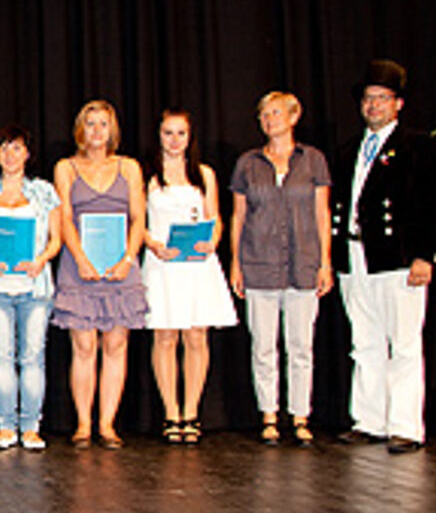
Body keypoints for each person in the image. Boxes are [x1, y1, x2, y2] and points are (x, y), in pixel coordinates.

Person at [330, 60, 436, 454]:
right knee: (364, 341)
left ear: (398, 104)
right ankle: (369, 419)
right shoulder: (350, 150)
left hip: (396, 258)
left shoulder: (418, 146)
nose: (374, 105)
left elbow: (434, 204)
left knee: (403, 341)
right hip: (354, 253)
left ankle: (405, 426)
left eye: (382, 98)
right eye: (368, 98)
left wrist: (424, 255)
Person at [229, 92, 333, 446]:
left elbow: (322, 214)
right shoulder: (248, 163)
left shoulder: (313, 160)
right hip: (259, 263)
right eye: (263, 114)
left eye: (275, 113)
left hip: (303, 263)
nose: (269, 119)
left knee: (301, 345)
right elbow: (239, 217)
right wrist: (236, 263)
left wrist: (325, 263)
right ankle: (269, 414)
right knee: (263, 345)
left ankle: (300, 415)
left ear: (293, 117)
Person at [52, 100, 148, 448]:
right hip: (79, 266)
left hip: (121, 265)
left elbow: (138, 218)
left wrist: (128, 258)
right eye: (90, 123)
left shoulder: (129, 167)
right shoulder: (66, 167)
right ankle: (83, 423)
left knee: (116, 343)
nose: (96, 131)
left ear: (113, 130)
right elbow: (63, 218)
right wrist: (80, 258)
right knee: (83, 344)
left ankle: (107, 424)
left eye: (103, 124)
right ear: (80, 129)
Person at [140, 109, 237, 445]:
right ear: (159, 135)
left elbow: (216, 218)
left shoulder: (204, 174)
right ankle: (171, 413)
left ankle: (192, 412)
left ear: (190, 136)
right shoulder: (148, 175)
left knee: (196, 337)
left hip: (197, 265)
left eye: (181, 133)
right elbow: (138, 223)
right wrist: (152, 244)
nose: (175, 140)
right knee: (165, 337)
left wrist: (213, 240)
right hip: (162, 265)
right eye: (169, 133)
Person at [0, 125, 62, 451]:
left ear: (28, 154)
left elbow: (57, 240)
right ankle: (6, 426)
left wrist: (41, 260)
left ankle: (31, 427)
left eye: (17, 148)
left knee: (33, 356)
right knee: (2, 357)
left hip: (35, 288)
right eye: (5, 148)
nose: (11, 155)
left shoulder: (44, 192)